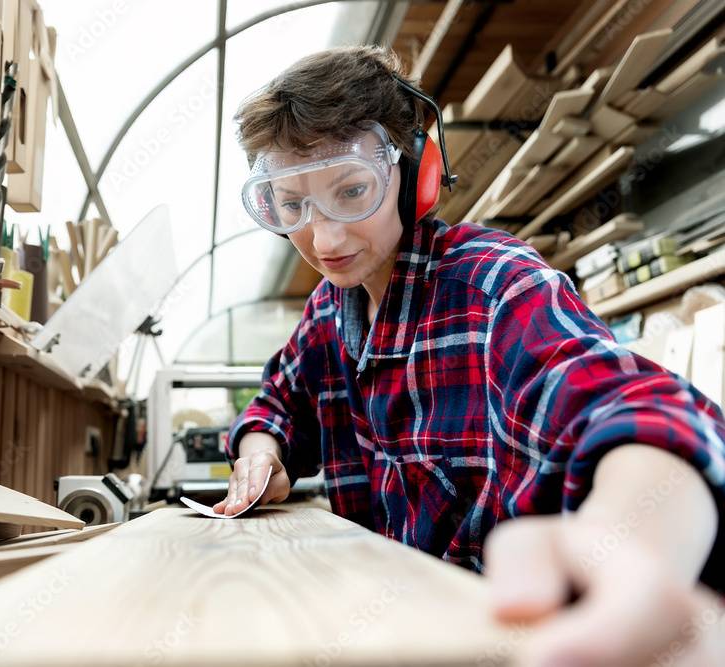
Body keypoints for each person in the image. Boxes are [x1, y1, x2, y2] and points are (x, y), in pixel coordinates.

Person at [212, 45, 725, 665]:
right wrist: (261, 456)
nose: (325, 237)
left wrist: (633, 548)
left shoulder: (494, 284)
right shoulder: (329, 312)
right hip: (407, 631)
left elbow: (632, 407)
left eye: (351, 192)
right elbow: (276, 404)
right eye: (293, 206)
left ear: (417, 175)